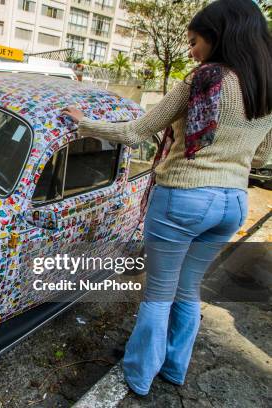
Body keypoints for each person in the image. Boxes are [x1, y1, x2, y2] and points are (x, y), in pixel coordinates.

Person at [60, 0, 271, 397]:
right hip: (233, 202)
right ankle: (175, 368)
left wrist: (83, 122)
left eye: (195, 41)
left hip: (184, 198)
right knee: (188, 290)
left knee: (158, 294)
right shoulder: (266, 86)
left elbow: (136, 132)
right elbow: (262, 156)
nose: (191, 51)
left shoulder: (204, 80)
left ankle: (139, 376)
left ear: (218, 35)